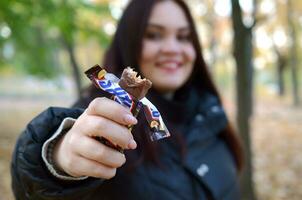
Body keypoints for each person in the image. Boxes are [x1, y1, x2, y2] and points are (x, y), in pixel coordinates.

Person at [11, 0, 244, 199]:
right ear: (128, 41)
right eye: (153, 35)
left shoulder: (210, 112)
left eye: (184, 37)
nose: (173, 48)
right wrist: (58, 160)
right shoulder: (100, 115)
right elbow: (35, 183)